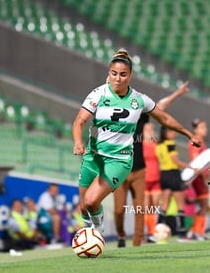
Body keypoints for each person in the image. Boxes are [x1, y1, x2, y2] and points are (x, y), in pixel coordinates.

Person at [72, 49, 201, 241]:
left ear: (130, 75)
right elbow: (79, 121)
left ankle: (97, 233)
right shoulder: (98, 94)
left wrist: (188, 133)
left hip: (119, 160)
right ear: (109, 72)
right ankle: (91, 234)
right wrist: (78, 142)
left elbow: (164, 117)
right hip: (93, 156)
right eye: (114, 73)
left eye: (123, 74)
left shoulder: (139, 100)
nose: (118, 78)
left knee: (92, 201)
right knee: (84, 206)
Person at [114, 82, 189, 247]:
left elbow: (160, 106)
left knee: (143, 208)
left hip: (142, 173)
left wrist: (177, 93)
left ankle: (139, 240)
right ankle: (121, 236)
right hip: (120, 169)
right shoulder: (114, 116)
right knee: (119, 209)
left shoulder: (141, 116)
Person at [155, 125, 200, 238]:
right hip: (173, 174)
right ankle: (182, 231)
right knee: (181, 204)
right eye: (172, 131)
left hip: (164, 175)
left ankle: (157, 228)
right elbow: (176, 161)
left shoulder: (159, 145)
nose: (175, 133)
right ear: (165, 133)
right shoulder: (170, 144)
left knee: (165, 204)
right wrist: (191, 167)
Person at [186, 118, 210, 240]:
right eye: (202, 127)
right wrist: (204, 177)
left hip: (201, 177)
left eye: (205, 127)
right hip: (199, 178)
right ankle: (196, 232)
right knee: (204, 206)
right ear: (195, 129)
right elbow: (196, 163)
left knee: (203, 206)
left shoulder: (201, 141)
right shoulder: (196, 141)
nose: (205, 129)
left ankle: (196, 231)